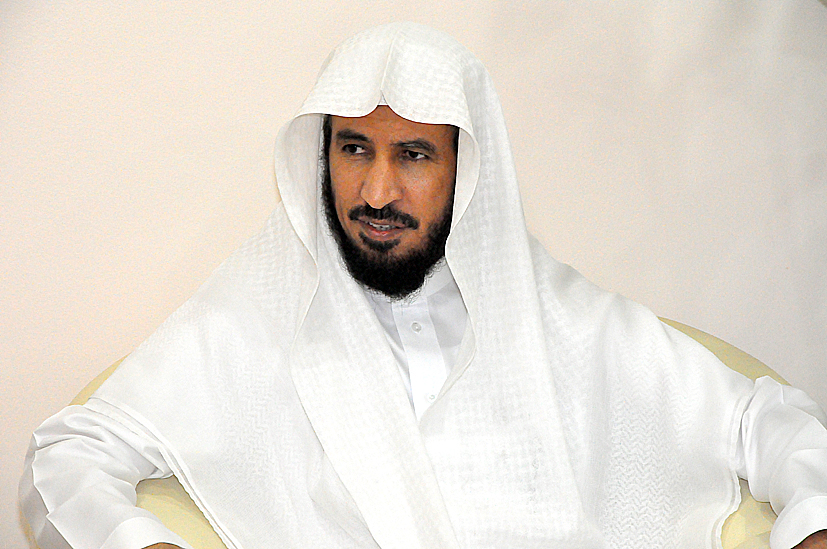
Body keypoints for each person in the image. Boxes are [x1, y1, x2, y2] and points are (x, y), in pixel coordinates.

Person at [20, 22, 827, 549]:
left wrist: (811, 525)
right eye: (352, 149)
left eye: (412, 154)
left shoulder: (559, 318)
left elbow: (768, 419)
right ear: (320, 154)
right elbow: (67, 452)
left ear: (464, 171)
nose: (373, 192)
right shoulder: (258, 314)